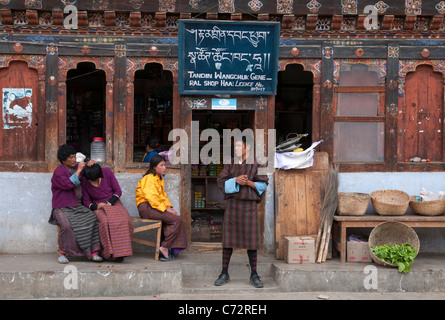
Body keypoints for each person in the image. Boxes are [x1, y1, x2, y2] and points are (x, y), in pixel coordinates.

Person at [215, 136, 268, 288]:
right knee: (228, 241)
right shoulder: (230, 163)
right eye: (236, 146)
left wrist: (249, 182)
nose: (236, 149)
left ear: (248, 148)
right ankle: (224, 273)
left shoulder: (259, 163)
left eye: (239, 146)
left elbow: (264, 184)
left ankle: (254, 274)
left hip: (249, 207)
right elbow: (220, 181)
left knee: (251, 243)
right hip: (233, 206)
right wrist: (235, 180)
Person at [49, 144, 103, 264]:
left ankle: (93, 252)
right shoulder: (58, 173)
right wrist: (78, 170)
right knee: (67, 226)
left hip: (77, 206)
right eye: (71, 157)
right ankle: (62, 252)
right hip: (61, 207)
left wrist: (93, 163)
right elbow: (68, 185)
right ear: (63, 160)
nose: (74, 160)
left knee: (93, 218)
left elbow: (92, 171)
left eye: (74, 157)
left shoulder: (76, 168)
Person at [135, 154, 187, 261]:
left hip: (154, 208)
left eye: (165, 165)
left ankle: (168, 249)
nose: (164, 168)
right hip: (146, 208)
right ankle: (164, 247)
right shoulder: (149, 179)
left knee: (175, 218)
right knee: (176, 220)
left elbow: (162, 196)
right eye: (161, 165)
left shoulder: (159, 179)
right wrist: (166, 209)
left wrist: (169, 207)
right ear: (154, 167)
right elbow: (152, 198)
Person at [82, 163, 134, 262]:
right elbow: (86, 201)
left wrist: (109, 203)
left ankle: (120, 253)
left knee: (124, 220)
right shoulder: (85, 180)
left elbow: (118, 191)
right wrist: (97, 206)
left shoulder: (107, 172)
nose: (94, 182)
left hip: (113, 202)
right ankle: (108, 252)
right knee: (105, 222)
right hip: (98, 206)